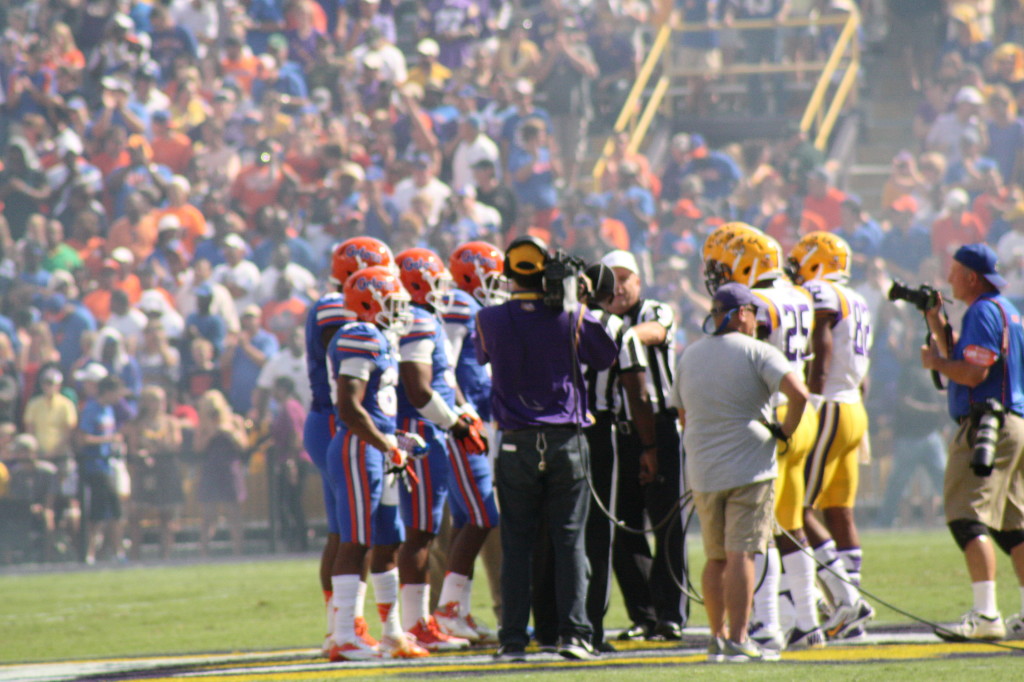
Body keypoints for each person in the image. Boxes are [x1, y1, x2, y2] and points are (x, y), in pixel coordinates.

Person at [475, 236, 617, 661]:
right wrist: (576, 302)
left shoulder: (488, 318)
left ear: (507, 272)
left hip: (515, 443)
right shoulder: (571, 315)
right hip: (566, 440)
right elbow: (606, 355)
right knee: (570, 542)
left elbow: (484, 354)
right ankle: (574, 635)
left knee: (517, 545)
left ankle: (513, 639)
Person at [673, 282, 810, 663]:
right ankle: (738, 637)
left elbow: (682, 414)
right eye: (755, 313)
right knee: (741, 555)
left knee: (715, 557)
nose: (759, 321)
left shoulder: (691, 354)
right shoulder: (759, 351)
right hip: (749, 466)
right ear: (742, 314)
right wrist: (784, 431)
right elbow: (799, 394)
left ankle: (716, 638)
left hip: (702, 468)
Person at [721, 231, 824, 651]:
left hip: (775, 412)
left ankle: (767, 624)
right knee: (790, 523)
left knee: (759, 528)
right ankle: (809, 622)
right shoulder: (799, 294)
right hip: (805, 412)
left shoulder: (757, 304)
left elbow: (750, 358)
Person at [920, 243, 1024, 641]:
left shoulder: (982, 310)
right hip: (1014, 421)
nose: (948, 278)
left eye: (954, 270)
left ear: (970, 277)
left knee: (967, 516)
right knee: (1014, 527)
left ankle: (986, 614)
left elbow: (972, 373)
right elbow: (969, 352)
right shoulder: (1006, 308)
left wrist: (936, 364)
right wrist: (936, 322)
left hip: (988, 424)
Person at [324, 265, 425, 661]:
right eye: (393, 303)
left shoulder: (380, 338)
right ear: (367, 302)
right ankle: (345, 635)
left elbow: (373, 407)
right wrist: (385, 443)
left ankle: (393, 633)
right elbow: (348, 408)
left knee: (388, 538)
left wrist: (394, 439)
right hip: (358, 448)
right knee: (357, 539)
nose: (400, 311)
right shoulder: (359, 336)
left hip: (377, 448)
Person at [788, 232, 875, 640]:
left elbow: (821, 347)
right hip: (854, 406)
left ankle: (845, 601)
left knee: (799, 509)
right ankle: (849, 614)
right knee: (839, 510)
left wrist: (814, 398)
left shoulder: (821, 291)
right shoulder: (856, 297)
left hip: (831, 406)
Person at [392, 247, 478, 653]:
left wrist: (460, 411)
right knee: (420, 532)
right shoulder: (419, 320)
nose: (444, 287)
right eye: (436, 279)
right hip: (421, 429)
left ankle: (415, 621)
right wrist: (455, 423)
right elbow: (419, 387)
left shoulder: (422, 317)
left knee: (420, 530)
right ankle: (415, 623)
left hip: (423, 426)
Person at [600, 248, 687, 642]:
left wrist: (618, 333)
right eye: (611, 278)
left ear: (639, 280)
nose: (618, 286)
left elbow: (657, 332)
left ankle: (671, 614)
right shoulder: (598, 318)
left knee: (666, 523)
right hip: (620, 430)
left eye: (624, 277)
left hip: (661, 425)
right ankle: (644, 613)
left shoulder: (654, 310)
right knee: (624, 527)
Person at [124, 385, 183, 560]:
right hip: (145, 471)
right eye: (155, 401)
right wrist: (144, 453)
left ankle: (165, 555)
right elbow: (134, 448)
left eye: (161, 400)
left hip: (166, 470)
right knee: (136, 515)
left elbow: (175, 445)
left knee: (166, 516)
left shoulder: (171, 422)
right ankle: (136, 555)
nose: (159, 404)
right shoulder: (138, 424)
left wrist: (156, 446)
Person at [74, 374, 126, 564]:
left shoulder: (109, 410)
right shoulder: (92, 409)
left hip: (108, 464)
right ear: (109, 391)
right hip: (95, 466)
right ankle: (91, 553)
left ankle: (114, 551)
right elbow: (84, 438)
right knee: (98, 512)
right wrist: (109, 439)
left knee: (114, 509)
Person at [193, 389, 248, 557]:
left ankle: (238, 551)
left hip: (230, 468)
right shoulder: (203, 425)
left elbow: (244, 445)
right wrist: (211, 432)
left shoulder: (234, 421)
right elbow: (197, 448)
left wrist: (230, 432)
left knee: (234, 512)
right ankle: (204, 552)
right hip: (210, 469)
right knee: (208, 515)